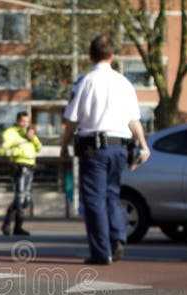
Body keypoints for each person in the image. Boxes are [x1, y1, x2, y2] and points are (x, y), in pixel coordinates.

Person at [61, 35, 150, 265]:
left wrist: (64, 144)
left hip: (94, 149)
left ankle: (101, 252)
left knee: (94, 199)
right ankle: (118, 238)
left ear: (90, 56)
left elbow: (72, 119)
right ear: (112, 56)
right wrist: (143, 144)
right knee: (112, 194)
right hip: (119, 147)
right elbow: (134, 120)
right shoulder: (125, 83)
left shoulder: (86, 82)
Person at [0, 111, 42, 236]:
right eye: (23, 121)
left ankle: (16, 227)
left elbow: (39, 148)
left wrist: (32, 138)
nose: (25, 124)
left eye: (27, 122)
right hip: (19, 167)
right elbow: (1, 150)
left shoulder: (29, 132)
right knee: (20, 198)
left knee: (26, 200)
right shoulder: (10, 133)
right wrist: (19, 152)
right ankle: (8, 225)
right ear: (17, 121)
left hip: (30, 167)